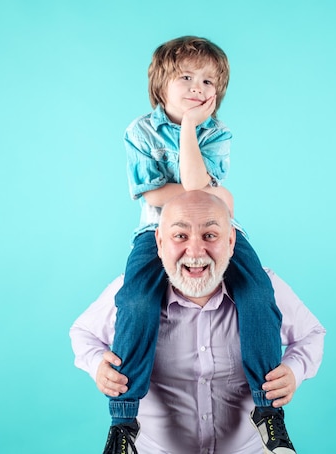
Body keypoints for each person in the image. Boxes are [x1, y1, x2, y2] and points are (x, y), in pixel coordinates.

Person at [107, 36, 288, 454]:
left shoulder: (217, 132)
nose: (198, 88)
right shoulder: (140, 131)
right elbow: (162, 192)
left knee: (258, 293)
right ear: (160, 85)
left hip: (217, 231)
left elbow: (201, 195)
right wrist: (209, 191)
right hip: (159, 233)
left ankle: (268, 412)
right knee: (136, 302)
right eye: (186, 77)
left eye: (208, 82)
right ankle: (123, 421)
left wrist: (190, 131)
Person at [70, 191, 326, 454]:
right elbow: (82, 333)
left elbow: (312, 334)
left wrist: (294, 371)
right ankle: (122, 426)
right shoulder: (131, 293)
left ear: (230, 240)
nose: (194, 251)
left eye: (210, 236)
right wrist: (97, 365)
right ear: (159, 242)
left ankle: (269, 416)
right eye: (180, 236)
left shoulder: (262, 289)